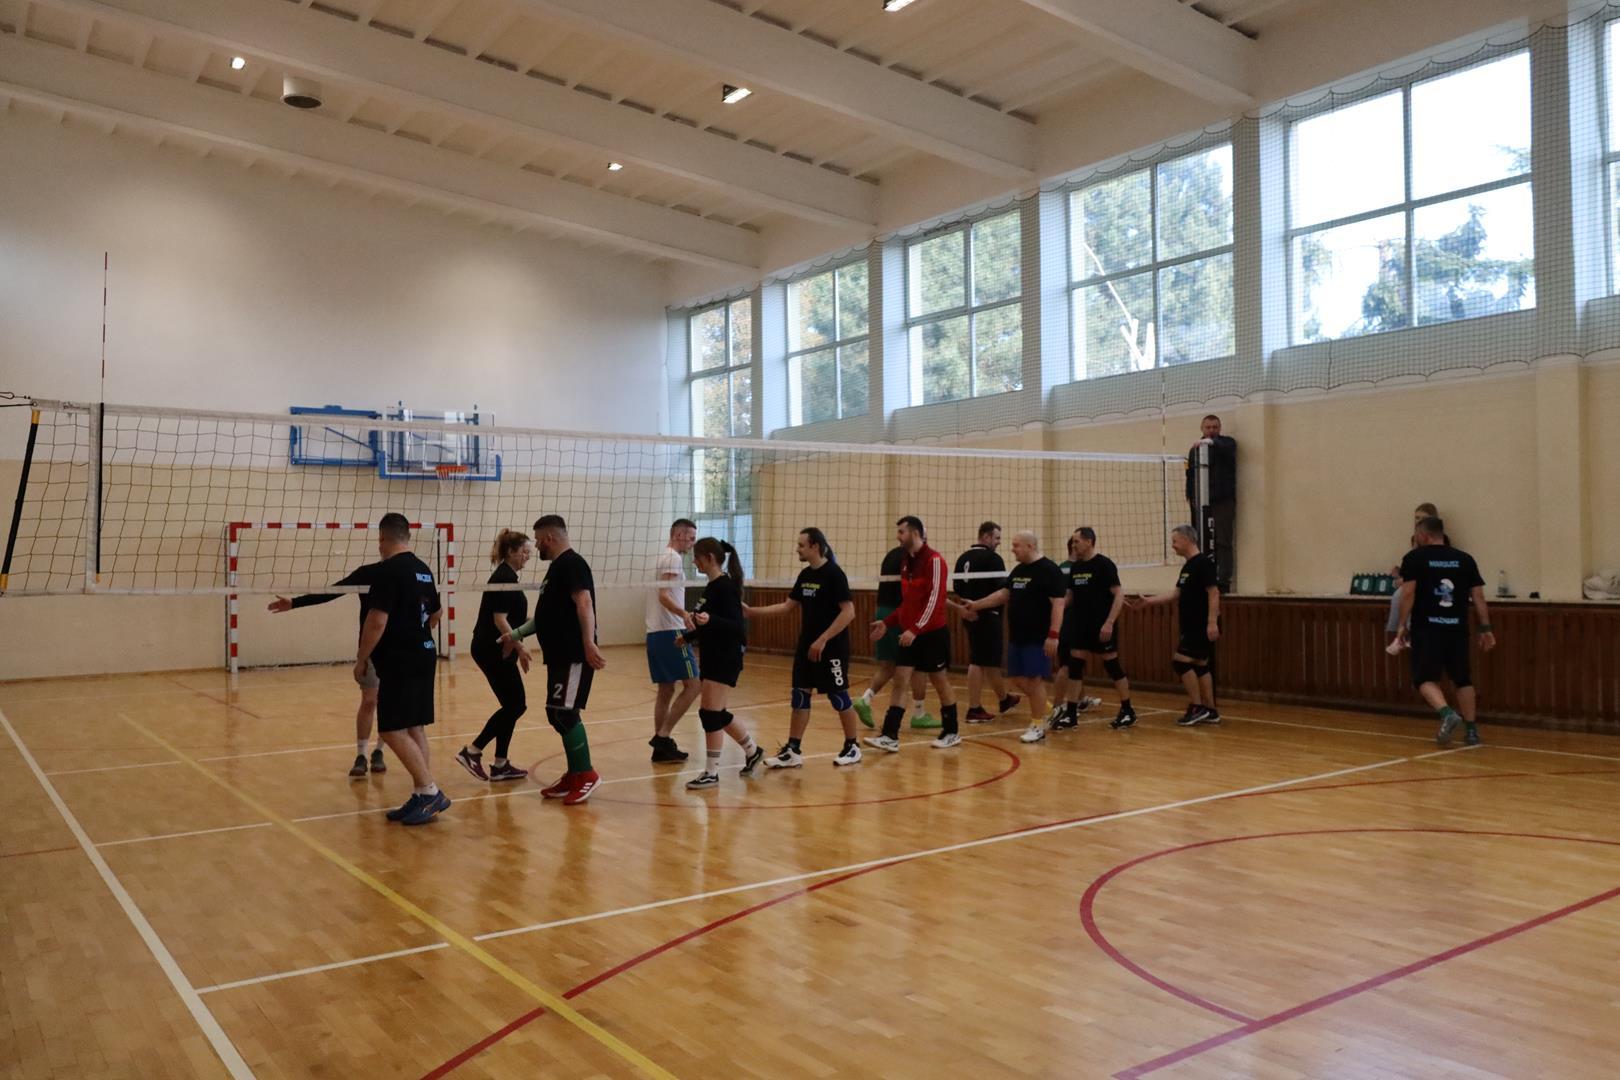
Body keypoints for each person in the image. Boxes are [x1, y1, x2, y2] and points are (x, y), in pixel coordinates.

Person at [499, 515, 606, 805]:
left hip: (574, 654)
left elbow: (584, 602)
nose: (535, 546)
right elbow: (545, 617)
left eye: (537, 540)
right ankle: (574, 774)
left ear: (549, 537)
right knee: (555, 713)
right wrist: (515, 635)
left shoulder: (572, 564)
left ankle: (586, 774)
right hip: (559, 655)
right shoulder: (557, 568)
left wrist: (588, 643)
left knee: (564, 713)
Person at [355, 513, 447, 826]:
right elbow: (436, 613)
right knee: (414, 726)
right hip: (425, 653)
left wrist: (362, 658)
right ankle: (422, 792)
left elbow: (376, 620)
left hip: (400, 659)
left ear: (383, 539)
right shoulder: (423, 569)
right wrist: (418, 631)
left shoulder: (388, 570)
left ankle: (430, 792)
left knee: (391, 729)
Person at [744, 528, 863, 768]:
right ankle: (793, 750)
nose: (797, 549)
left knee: (838, 696)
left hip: (832, 648)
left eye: (801, 545)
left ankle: (852, 746)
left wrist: (823, 639)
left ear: (814, 546)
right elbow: (787, 607)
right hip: (806, 646)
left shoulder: (834, 574)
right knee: (799, 695)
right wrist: (751, 612)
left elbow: (848, 612)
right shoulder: (806, 574)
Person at [268, 562, 389, 777]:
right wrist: (294, 603)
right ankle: (361, 755)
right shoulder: (367, 573)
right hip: (371, 647)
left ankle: (379, 751)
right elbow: (332, 592)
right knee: (369, 700)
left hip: (398, 649)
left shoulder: (406, 571)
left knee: (389, 702)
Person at [952, 531, 1065, 745]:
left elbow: (1058, 605)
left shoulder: (1049, 570)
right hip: (1017, 636)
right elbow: (1003, 594)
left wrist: (1053, 635)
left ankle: (1038, 725)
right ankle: (1050, 710)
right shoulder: (1019, 570)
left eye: (1016, 545)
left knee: (1034, 680)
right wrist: (976, 604)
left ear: (1030, 546)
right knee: (1015, 678)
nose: (1012, 549)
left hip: (1038, 637)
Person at [1395, 516, 1496, 746]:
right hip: (1456, 628)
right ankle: (1471, 731)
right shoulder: (1465, 559)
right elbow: (1478, 596)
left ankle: (1447, 713)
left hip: (1427, 628)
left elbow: (1408, 593)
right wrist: (1486, 628)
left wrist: (1402, 624)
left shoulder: (1414, 558)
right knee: (1462, 679)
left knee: (1423, 678)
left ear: (1423, 535)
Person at [864, 516, 960, 752]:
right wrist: (887, 622)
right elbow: (908, 603)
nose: (898, 537)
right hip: (910, 633)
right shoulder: (906, 562)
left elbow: (935, 601)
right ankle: (890, 735)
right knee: (900, 679)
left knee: (939, 681)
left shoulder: (934, 561)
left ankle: (951, 732)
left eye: (901, 532)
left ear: (915, 533)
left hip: (932, 633)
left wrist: (916, 629)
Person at [678, 537, 765, 788]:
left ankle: (711, 772)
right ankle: (752, 751)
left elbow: (737, 627)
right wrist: (689, 637)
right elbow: (708, 621)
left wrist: (710, 621)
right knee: (717, 712)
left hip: (725, 656)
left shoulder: (725, 587)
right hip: (713, 654)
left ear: (709, 558)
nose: (694, 561)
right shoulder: (712, 586)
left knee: (710, 713)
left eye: (697, 557)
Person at [453, 529, 533, 784]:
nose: (528, 556)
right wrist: (520, 647)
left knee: (511, 705)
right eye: (524, 551)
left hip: (496, 648)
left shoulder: (509, 576)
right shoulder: (503, 577)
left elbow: (512, 617)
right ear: (510, 551)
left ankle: (500, 764)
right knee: (516, 705)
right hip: (492, 648)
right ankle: (472, 751)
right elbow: (500, 620)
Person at [1132, 525, 1221, 726]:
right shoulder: (1188, 566)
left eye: (1175, 541)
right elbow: (1176, 594)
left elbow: (1214, 593)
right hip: (1190, 624)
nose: (1172, 546)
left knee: (1180, 662)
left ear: (1187, 540)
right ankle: (1211, 710)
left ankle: (1197, 707)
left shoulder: (1203, 563)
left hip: (1200, 624)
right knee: (1200, 665)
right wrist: (1148, 601)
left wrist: (1212, 622)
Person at [1059, 527, 1136, 730]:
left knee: (1112, 666)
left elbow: (1119, 595)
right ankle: (1071, 714)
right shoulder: (1076, 567)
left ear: (1089, 541)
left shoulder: (1104, 565)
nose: (1073, 545)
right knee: (1075, 666)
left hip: (1102, 626)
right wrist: (1054, 608)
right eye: (1072, 542)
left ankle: (1127, 710)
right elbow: (1070, 597)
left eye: (1076, 541)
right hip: (1080, 626)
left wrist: (1109, 622)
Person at [855, 543, 932, 730]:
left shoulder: (891, 555)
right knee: (917, 666)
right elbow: (920, 592)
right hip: (899, 614)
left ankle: (865, 699)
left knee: (888, 666)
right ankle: (919, 714)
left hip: (883, 611)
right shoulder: (912, 558)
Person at [646, 518, 700, 764]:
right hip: (671, 632)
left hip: (656, 632)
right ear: (678, 535)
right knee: (694, 685)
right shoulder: (673, 559)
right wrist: (684, 614)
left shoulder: (663, 557)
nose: (693, 543)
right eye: (691, 538)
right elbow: (664, 595)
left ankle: (661, 747)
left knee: (666, 689)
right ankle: (663, 737)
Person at [954, 521, 1020, 723]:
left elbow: (957, 587)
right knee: (978, 661)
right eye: (997, 538)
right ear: (986, 537)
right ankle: (974, 709)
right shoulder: (993, 559)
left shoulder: (963, 558)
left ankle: (1004, 699)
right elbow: (1002, 591)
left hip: (969, 615)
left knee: (989, 660)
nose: (999, 542)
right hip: (987, 616)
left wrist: (967, 607)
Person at [1185, 414, 1237, 592]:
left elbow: (1226, 447)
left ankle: (1224, 580)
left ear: (1220, 428)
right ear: (1202, 428)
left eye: (1215, 427)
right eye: (1208, 427)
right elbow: (1190, 475)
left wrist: (1210, 442)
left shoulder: (1228, 443)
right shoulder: (1194, 449)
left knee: (1223, 540)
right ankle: (1202, 577)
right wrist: (1190, 496)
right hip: (1201, 502)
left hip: (1222, 500)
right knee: (1200, 540)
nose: (1211, 430)